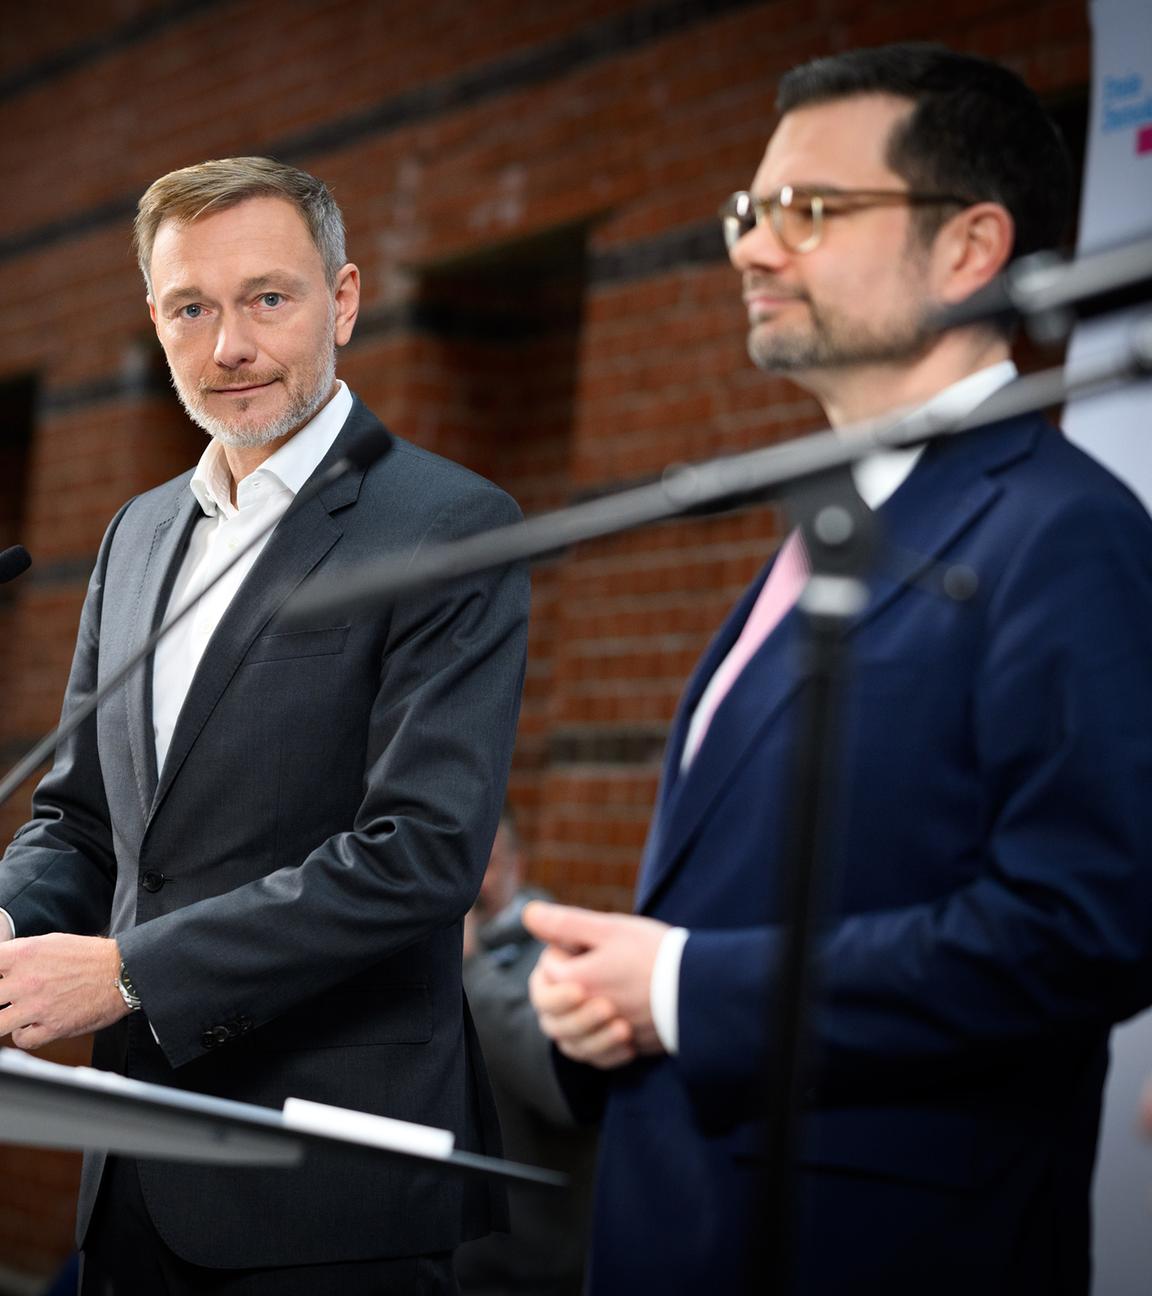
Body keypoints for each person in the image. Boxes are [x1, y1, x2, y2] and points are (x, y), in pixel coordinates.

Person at [524, 42, 1152, 1296]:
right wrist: (618, 997)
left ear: (971, 249)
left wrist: (689, 989)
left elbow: (1085, 926)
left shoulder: (1062, 530)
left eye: (810, 211)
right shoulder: (825, 536)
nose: (754, 248)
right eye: (751, 212)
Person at [0, 157, 529, 1294]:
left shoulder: (451, 526)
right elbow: (83, 819)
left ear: (341, 301)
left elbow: (422, 857)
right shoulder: (135, 536)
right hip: (133, 1168)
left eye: (267, 299)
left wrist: (129, 972)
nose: (228, 344)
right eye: (192, 307)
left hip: (330, 1179)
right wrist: (6, 932)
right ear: (155, 319)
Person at [455, 814, 597, 1296]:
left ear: (519, 865)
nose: (475, 882)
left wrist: (470, 967)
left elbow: (557, 1080)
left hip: (531, 1260)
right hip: (450, 1250)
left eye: (488, 864)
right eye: (462, 864)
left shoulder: (562, 959)